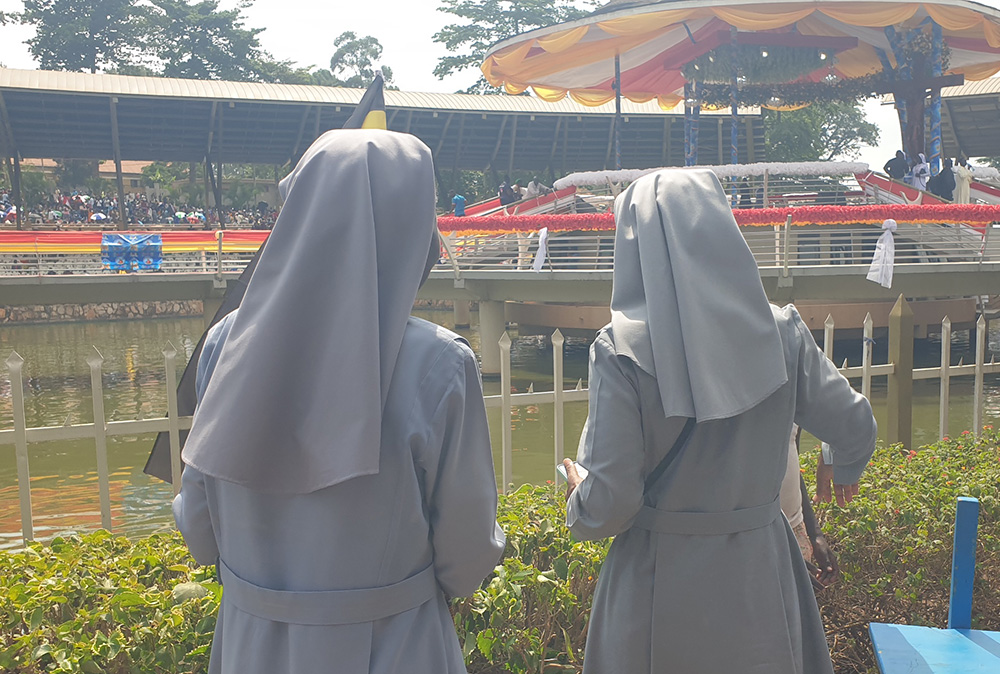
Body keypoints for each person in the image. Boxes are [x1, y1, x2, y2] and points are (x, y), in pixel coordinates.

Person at [173, 130, 505, 674]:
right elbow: (467, 555)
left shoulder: (224, 345)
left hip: (250, 645)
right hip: (396, 646)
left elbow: (200, 529)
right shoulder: (440, 362)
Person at [562, 169, 876, 674]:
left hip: (656, 581)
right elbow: (856, 425)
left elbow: (611, 500)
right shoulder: (785, 331)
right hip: (761, 570)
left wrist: (581, 493)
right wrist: (840, 463)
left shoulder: (619, 349)